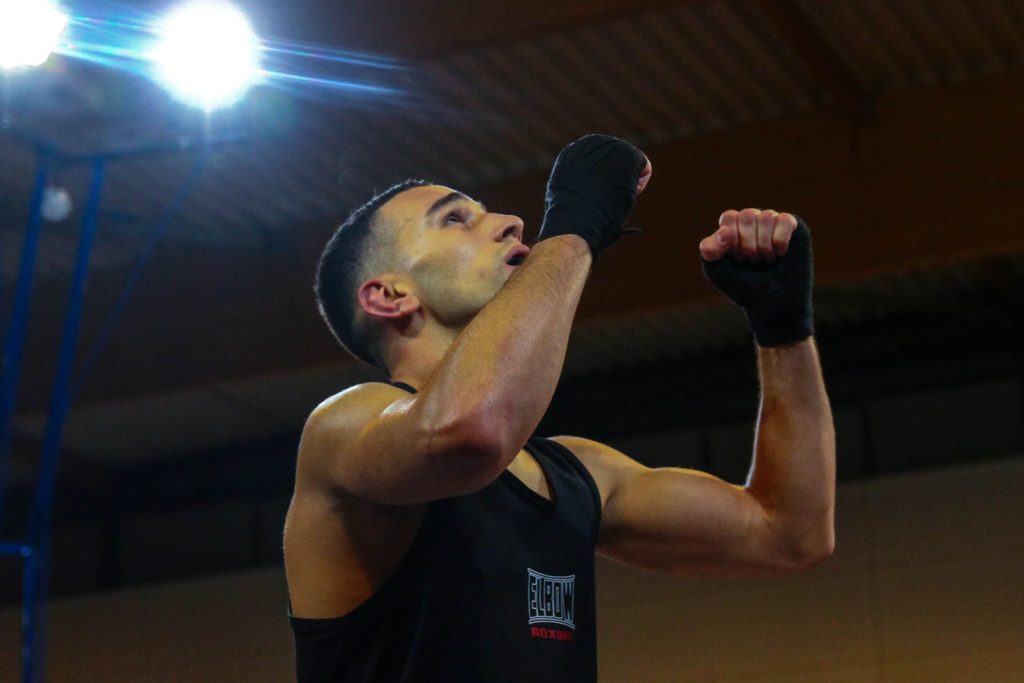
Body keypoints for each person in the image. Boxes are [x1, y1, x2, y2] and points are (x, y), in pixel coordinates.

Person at [283, 135, 835, 682]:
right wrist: (573, 227)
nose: (510, 222)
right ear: (389, 295)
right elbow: (469, 432)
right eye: (453, 219)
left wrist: (782, 328)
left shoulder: (580, 474)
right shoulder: (344, 427)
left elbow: (788, 532)